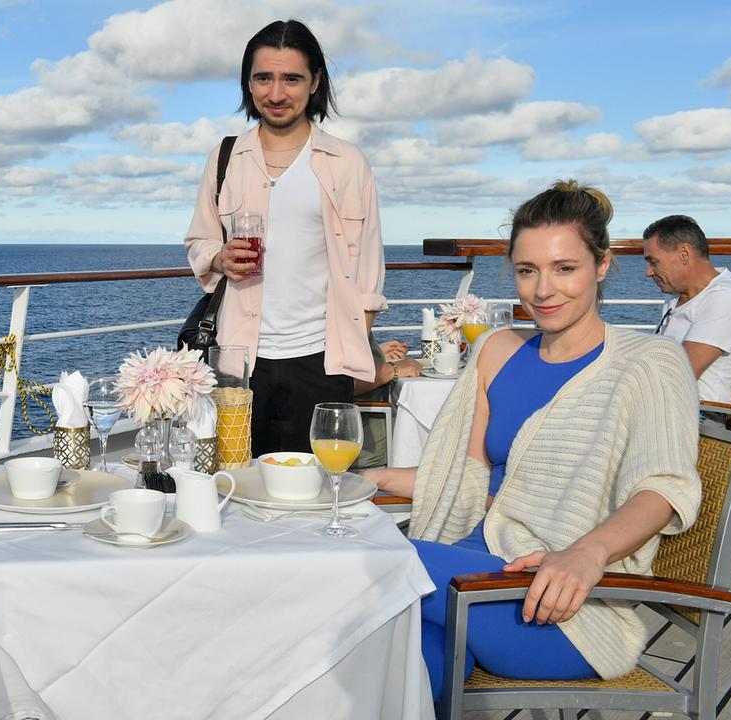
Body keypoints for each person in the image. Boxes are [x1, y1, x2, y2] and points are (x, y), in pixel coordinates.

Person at [366, 181, 701, 698]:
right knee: (416, 662)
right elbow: (464, 480)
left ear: (603, 265)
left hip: (557, 600)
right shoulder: (498, 350)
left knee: (365, 562)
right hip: (459, 569)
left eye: (565, 268)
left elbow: (664, 488)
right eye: (527, 271)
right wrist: (366, 479)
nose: (543, 290)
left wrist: (587, 553)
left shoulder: (649, 363)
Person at [183, 18, 385, 457]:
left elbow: (369, 275)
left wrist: (348, 361)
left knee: (310, 493)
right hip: (236, 361)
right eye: (263, 78)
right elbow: (198, 241)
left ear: (315, 82)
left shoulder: (347, 163)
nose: (276, 93)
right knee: (230, 486)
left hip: (320, 362)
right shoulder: (224, 158)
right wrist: (219, 258)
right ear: (248, 83)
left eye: (291, 78)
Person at [642, 214, 731, 404]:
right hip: (666, 406)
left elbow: (679, 374)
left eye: (654, 261)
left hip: (702, 419)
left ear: (684, 254)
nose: (648, 272)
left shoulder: (725, 298)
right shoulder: (676, 294)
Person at [353, 336, 421, 469]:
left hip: (359, 422)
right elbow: (339, 384)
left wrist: (377, 354)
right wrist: (391, 370)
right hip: (358, 436)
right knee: (430, 428)